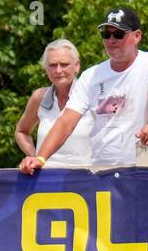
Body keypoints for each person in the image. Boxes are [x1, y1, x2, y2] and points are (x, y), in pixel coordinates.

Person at [20, 7, 148, 174]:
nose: (111, 40)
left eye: (118, 34)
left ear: (137, 36)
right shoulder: (91, 76)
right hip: (102, 172)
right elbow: (66, 121)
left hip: (144, 166)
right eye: (106, 34)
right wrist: (40, 158)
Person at [14, 39, 94, 169]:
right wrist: (35, 157)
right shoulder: (39, 97)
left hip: (85, 178)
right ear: (46, 69)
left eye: (64, 64)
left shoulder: (92, 96)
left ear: (77, 66)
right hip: (46, 179)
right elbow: (21, 131)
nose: (58, 70)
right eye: (52, 65)